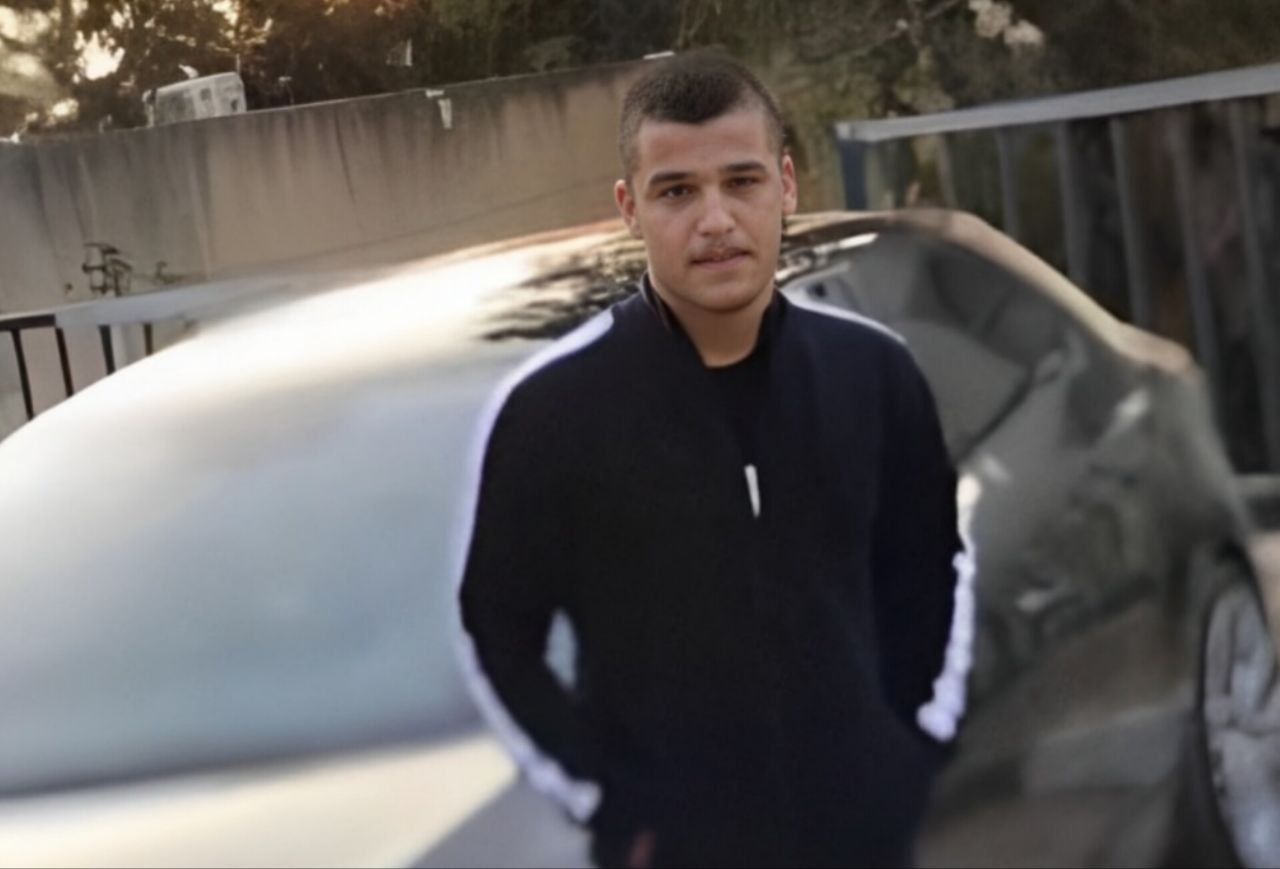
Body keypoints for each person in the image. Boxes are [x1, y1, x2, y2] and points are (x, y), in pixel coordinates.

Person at [456, 52, 971, 869]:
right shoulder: (551, 415)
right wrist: (613, 793)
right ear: (630, 208)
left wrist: (897, 745)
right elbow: (498, 627)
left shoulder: (873, 374)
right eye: (677, 192)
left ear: (786, 185)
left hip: (862, 838)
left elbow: (927, 567)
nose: (716, 220)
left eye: (742, 181)